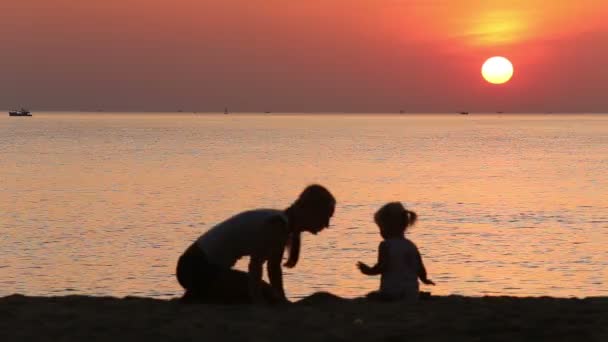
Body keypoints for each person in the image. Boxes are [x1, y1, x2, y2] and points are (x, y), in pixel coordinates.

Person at [176, 184, 336, 304]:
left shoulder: (284, 224)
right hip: (195, 268)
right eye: (326, 216)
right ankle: (197, 295)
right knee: (264, 294)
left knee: (267, 293)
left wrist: (281, 299)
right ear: (311, 211)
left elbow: (273, 268)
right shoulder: (277, 224)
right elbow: (256, 265)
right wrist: (259, 303)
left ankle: (198, 295)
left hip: (203, 269)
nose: (327, 224)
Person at [357, 202, 434, 301]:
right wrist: (424, 280)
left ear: (388, 227)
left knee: (371, 297)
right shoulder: (411, 245)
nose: (380, 232)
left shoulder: (386, 245)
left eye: (381, 228)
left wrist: (368, 271)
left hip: (392, 292)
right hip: (411, 293)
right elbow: (420, 268)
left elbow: (382, 266)